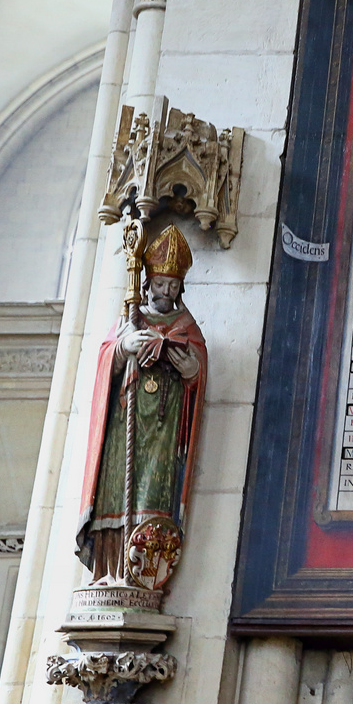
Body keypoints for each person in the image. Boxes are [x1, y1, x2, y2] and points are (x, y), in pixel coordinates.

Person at [76, 227, 207, 583]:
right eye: (161, 284)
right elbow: (105, 362)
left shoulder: (185, 326)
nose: (166, 293)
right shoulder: (128, 320)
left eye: (173, 286)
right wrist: (123, 348)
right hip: (125, 422)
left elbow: (198, 370)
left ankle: (142, 575)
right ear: (147, 283)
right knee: (117, 490)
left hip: (163, 427)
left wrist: (190, 367)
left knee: (153, 492)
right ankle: (108, 570)